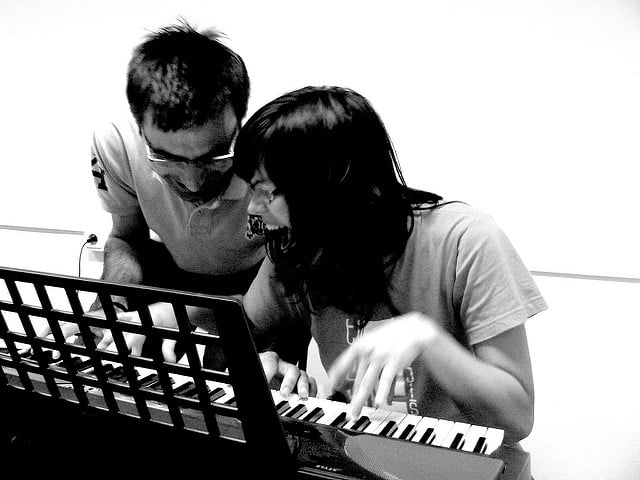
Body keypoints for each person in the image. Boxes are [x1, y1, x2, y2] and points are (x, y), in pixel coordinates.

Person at [235, 85, 547, 446]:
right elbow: (243, 332)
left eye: (264, 190)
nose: (253, 208)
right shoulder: (295, 247)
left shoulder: (466, 240)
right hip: (354, 452)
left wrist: (429, 340)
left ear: (324, 187)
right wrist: (264, 363)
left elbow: (518, 419)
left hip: (464, 461)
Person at [57, 21, 265, 359]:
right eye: (167, 161)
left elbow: (289, 286)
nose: (193, 183)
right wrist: (109, 306)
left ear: (238, 124)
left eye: (214, 158)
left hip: (258, 280)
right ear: (140, 129)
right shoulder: (116, 140)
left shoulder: (272, 147)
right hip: (168, 269)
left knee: (242, 395)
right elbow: (127, 238)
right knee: (106, 352)